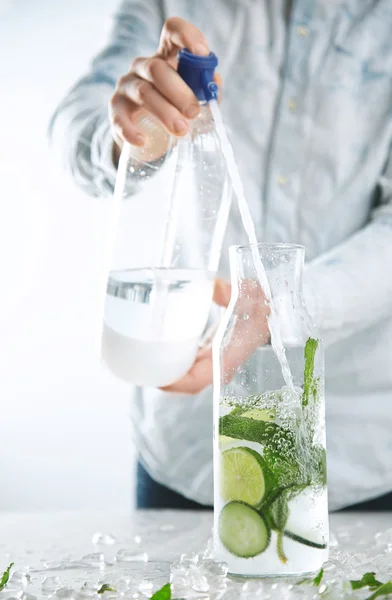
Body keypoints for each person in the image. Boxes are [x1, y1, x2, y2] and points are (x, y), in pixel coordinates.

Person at [50, 1, 392, 512]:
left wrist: (281, 306)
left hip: (356, 448)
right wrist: (130, 134)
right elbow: (75, 130)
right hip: (190, 444)